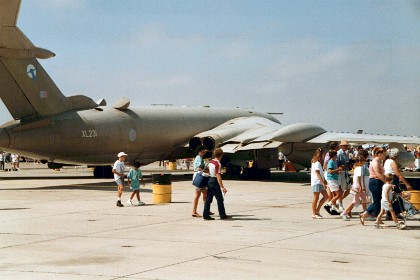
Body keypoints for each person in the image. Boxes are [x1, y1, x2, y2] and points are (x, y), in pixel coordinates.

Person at [359, 147, 386, 225]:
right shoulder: (375, 162)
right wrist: (386, 181)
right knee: (377, 201)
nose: (385, 156)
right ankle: (378, 219)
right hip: (375, 182)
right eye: (384, 154)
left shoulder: (378, 162)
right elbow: (378, 174)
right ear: (379, 154)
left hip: (377, 182)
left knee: (378, 201)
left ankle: (365, 214)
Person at [203, 148, 232, 220]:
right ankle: (222, 215)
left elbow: (206, 170)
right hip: (214, 181)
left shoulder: (211, 162)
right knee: (219, 199)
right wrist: (222, 187)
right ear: (221, 155)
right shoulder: (218, 164)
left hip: (209, 180)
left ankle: (205, 214)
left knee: (208, 199)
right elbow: (218, 175)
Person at [340, 154, 369, 221]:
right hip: (358, 186)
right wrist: (361, 186)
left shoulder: (356, 168)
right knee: (355, 201)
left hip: (358, 185)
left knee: (364, 200)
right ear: (360, 161)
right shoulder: (359, 168)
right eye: (364, 161)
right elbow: (358, 177)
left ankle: (365, 213)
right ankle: (344, 213)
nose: (365, 162)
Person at [192, 145, 210, 217]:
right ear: (199, 152)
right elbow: (199, 168)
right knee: (205, 194)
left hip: (197, 177)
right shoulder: (199, 159)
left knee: (198, 195)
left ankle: (195, 210)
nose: (204, 153)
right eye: (203, 152)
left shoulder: (198, 158)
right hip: (200, 177)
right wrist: (206, 170)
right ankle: (206, 210)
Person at [310, 148, 328, 219]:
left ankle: (317, 211)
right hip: (317, 182)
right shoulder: (317, 163)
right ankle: (314, 213)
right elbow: (318, 174)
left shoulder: (318, 163)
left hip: (319, 182)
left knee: (326, 196)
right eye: (323, 154)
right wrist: (323, 183)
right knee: (316, 197)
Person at [323, 150, 341, 215]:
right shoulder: (330, 162)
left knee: (335, 194)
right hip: (332, 179)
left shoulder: (334, 162)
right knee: (338, 194)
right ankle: (328, 204)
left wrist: (337, 171)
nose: (337, 156)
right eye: (336, 155)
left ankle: (332, 208)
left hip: (334, 179)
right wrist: (337, 170)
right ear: (333, 155)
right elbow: (330, 171)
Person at [337, 140, 351, 211]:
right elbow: (337, 164)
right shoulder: (339, 153)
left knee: (348, 189)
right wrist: (343, 166)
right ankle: (340, 204)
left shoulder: (346, 153)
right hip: (341, 172)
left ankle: (339, 201)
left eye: (346, 145)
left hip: (346, 172)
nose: (346, 146)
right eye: (345, 145)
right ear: (341, 146)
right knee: (341, 190)